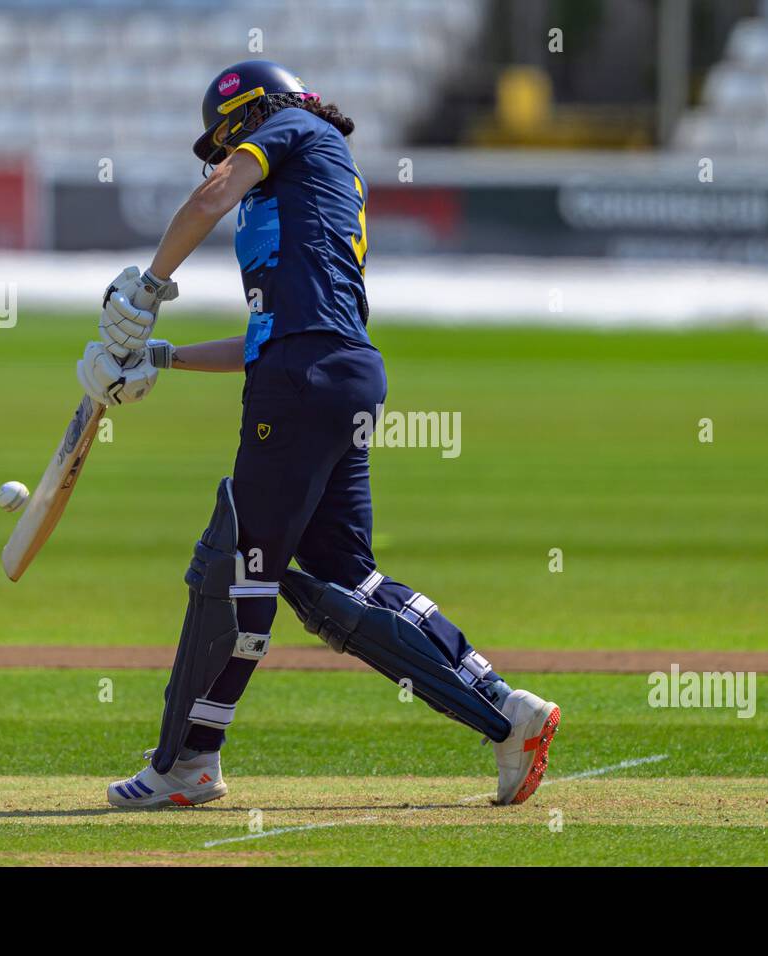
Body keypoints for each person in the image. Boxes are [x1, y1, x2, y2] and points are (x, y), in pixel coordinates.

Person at [77, 61, 560, 809]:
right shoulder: (305, 188)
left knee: (236, 567)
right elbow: (267, 337)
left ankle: (188, 761)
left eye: (231, 133)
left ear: (263, 110)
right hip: (329, 371)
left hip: (306, 379)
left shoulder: (298, 130)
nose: (226, 152)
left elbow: (211, 197)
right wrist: (165, 357)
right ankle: (506, 713)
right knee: (341, 581)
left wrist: (148, 288)